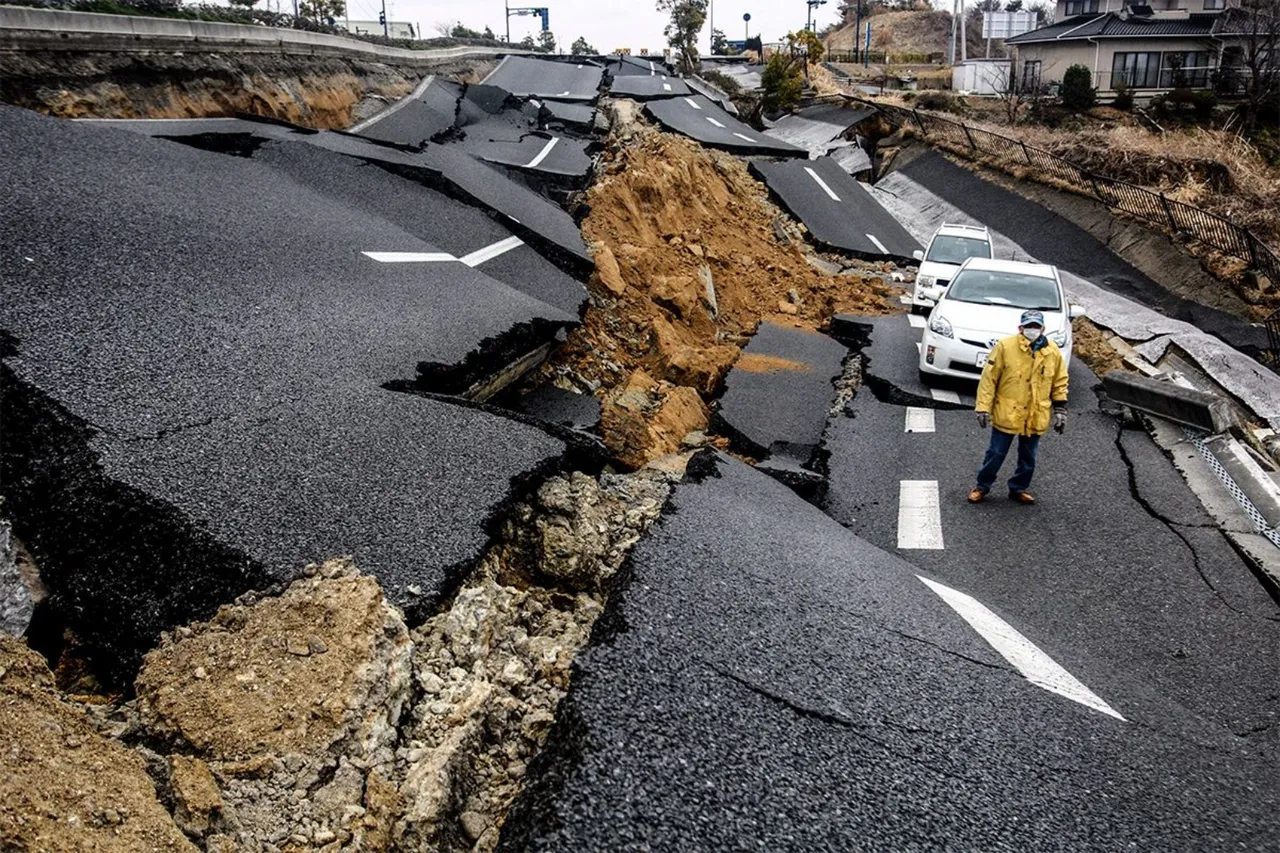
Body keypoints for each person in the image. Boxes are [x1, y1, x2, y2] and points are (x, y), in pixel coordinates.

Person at [968, 309, 1068, 505]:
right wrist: (983, 407)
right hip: (1008, 412)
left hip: (1035, 414)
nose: (1032, 330)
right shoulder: (1005, 347)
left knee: (1028, 457)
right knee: (995, 453)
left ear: (1043, 329)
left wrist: (1061, 409)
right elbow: (989, 379)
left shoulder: (1052, 352)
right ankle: (982, 486)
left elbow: (1059, 381)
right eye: (1028, 326)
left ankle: (1018, 488)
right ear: (1020, 328)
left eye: (1036, 327)